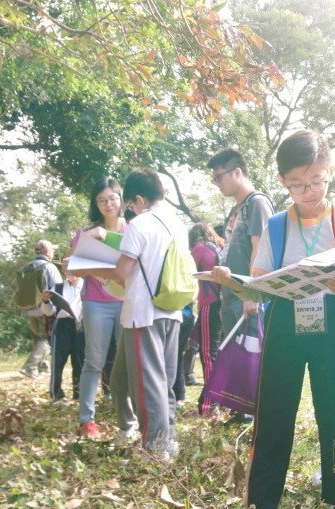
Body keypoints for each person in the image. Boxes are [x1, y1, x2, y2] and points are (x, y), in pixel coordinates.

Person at [212, 130, 335, 509]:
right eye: (298, 184)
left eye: (317, 180)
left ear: (330, 171)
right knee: (274, 418)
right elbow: (259, 277)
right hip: (285, 325)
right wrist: (237, 280)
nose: (310, 192)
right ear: (282, 181)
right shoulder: (277, 225)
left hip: (332, 323)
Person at [74, 168, 186, 459]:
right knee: (164, 379)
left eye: (130, 203)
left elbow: (123, 273)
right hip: (172, 309)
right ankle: (168, 439)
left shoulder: (140, 224)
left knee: (148, 383)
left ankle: (155, 446)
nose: (130, 209)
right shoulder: (177, 222)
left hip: (143, 312)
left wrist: (84, 268)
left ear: (138, 199)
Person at [68, 178, 128, 439]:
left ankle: (129, 418)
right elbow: (71, 265)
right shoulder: (86, 232)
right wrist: (86, 239)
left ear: (122, 198)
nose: (108, 204)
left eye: (112, 198)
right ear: (95, 204)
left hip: (128, 302)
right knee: (94, 360)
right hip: (95, 302)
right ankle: (86, 420)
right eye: (101, 200)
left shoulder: (134, 229)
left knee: (127, 362)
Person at [207, 149, 273, 342]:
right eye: (215, 179)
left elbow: (260, 249)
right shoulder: (236, 209)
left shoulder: (257, 203)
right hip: (231, 297)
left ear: (237, 172)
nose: (217, 184)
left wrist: (252, 294)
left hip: (249, 298)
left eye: (219, 177)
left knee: (252, 364)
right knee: (236, 365)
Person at [189, 222, 225, 413]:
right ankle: (218, 399)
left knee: (207, 354)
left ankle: (210, 404)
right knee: (217, 352)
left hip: (209, 303)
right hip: (222, 303)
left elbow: (187, 270)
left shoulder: (199, 248)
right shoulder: (218, 246)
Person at [19, 239, 62, 379]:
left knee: (37, 339)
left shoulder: (27, 267)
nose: (54, 252)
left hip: (28, 309)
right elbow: (57, 289)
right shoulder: (49, 267)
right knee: (45, 340)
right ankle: (29, 367)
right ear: (47, 252)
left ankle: (44, 368)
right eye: (53, 250)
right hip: (44, 309)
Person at [46, 275, 85, 403]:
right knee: (58, 360)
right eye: (68, 270)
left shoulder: (86, 285)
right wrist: (46, 301)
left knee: (79, 360)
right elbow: (49, 312)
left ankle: (78, 394)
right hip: (63, 325)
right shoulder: (58, 287)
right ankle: (56, 394)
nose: (71, 275)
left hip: (81, 325)